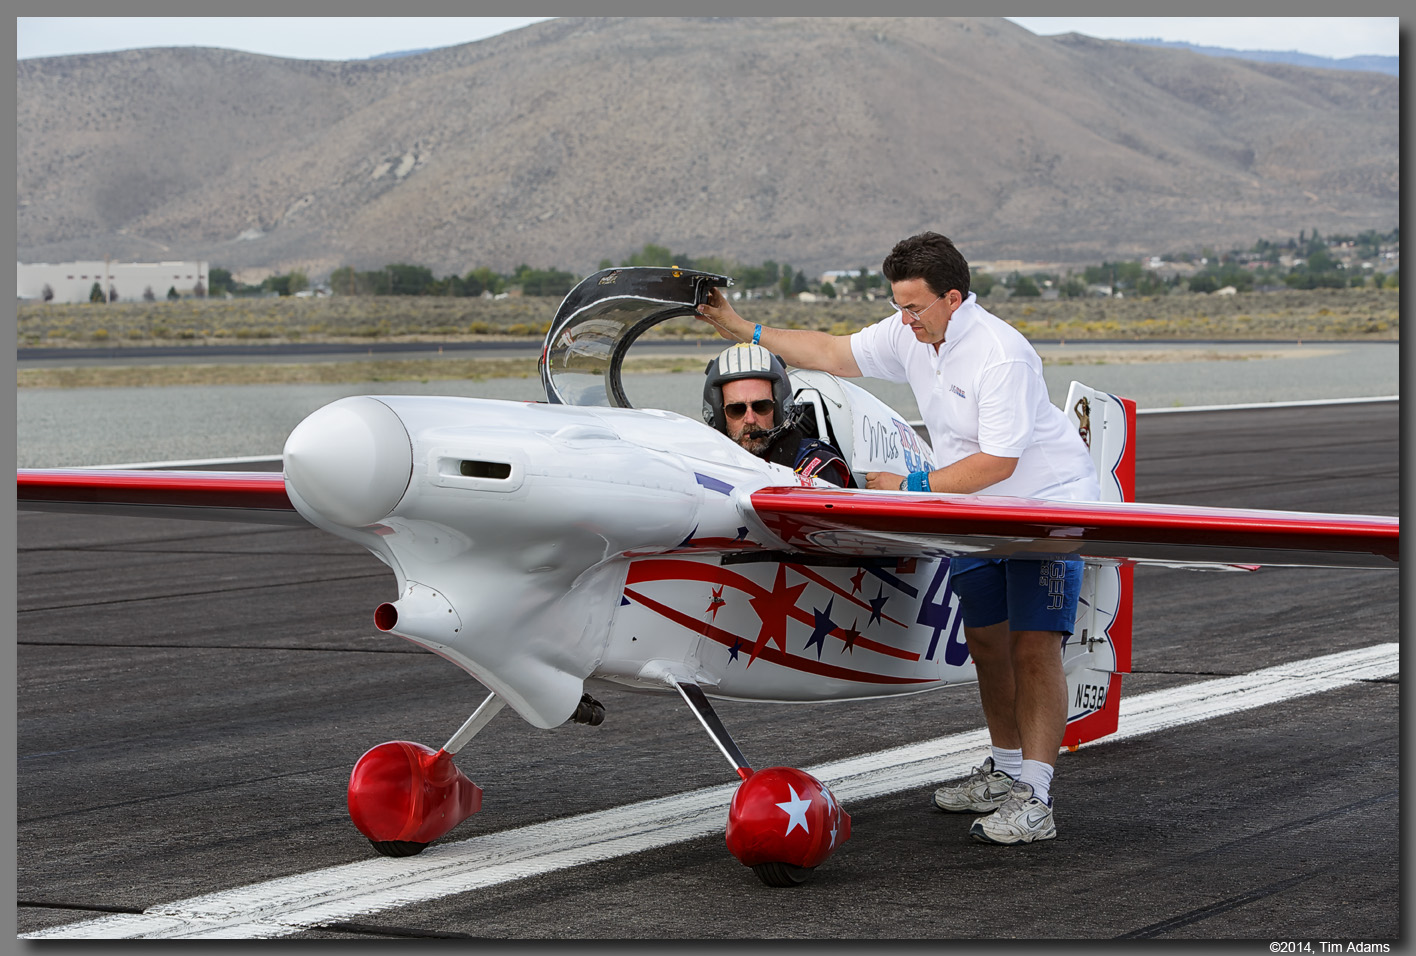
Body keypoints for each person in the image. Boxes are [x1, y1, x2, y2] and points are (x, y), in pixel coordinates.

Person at [696, 232, 1099, 845]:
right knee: (986, 642)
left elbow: (1000, 462)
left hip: (1044, 509)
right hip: (972, 512)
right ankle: (1006, 770)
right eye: (897, 305)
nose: (903, 319)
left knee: (1033, 646)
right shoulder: (913, 332)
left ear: (953, 299)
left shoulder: (1001, 354)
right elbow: (831, 352)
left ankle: (1036, 798)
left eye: (913, 307)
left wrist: (911, 485)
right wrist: (743, 329)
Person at [703, 343, 853, 488]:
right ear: (718, 414)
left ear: (780, 408)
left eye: (761, 406)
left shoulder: (815, 468)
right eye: (736, 409)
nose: (750, 419)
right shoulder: (704, 465)